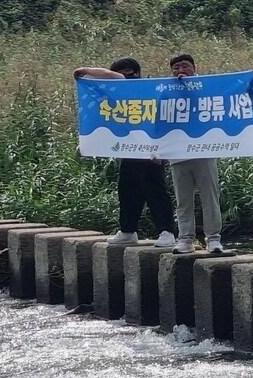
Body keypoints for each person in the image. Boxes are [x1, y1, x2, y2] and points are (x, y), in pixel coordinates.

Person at [72, 56, 175, 248]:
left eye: (125, 74)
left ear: (133, 73)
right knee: (127, 191)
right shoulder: (116, 97)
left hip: (151, 151)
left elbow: (163, 124)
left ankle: (167, 231)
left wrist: (83, 70)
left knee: (155, 192)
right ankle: (128, 231)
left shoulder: (143, 88)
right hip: (130, 151)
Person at [165, 52, 225, 255]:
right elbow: (160, 122)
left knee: (210, 197)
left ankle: (214, 239)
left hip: (203, 151)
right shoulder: (166, 91)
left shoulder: (207, 88)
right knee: (183, 201)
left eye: (184, 66)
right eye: (176, 68)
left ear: (194, 67)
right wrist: (156, 148)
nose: (180, 71)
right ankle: (185, 239)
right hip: (178, 154)